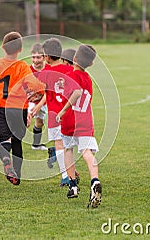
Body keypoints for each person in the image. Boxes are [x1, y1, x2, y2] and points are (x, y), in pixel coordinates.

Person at [0, 31, 45, 186]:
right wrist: (39, 93)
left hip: (1, 109)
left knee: (4, 140)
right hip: (19, 110)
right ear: (20, 49)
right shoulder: (23, 67)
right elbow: (34, 85)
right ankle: (17, 174)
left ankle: (6, 160)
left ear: (3, 47)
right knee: (17, 141)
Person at [56, 44, 102, 208]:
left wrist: (62, 111)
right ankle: (94, 180)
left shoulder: (72, 76)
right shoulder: (88, 78)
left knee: (68, 150)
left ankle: (73, 185)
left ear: (74, 59)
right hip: (85, 120)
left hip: (70, 119)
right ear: (90, 64)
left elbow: (75, 94)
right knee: (87, 152)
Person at [35, 38, 75, 186]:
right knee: (69, 146)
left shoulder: (45, 72)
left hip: (54, 115)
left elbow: (40, 88)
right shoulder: (70, 69)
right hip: (69, 114)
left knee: (59, 145)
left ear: (47, 56)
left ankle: (65, 176)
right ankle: (72, 172)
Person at [27, 43, 51, 151]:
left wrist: (39, 105)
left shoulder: (49, 70)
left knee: (40, 122)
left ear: (44, 57)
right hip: (29, 101)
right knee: (25, 121)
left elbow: (49, 91)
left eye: (38, 57)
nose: (35, 60)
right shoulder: (27, 70)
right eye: (33, 57)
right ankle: (10, 143)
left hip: (44, 100)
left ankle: (36, 145)